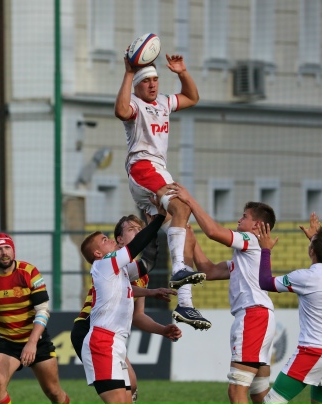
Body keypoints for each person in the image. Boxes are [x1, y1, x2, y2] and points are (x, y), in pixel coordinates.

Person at [114, 51, 210, 330]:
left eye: (155, 79)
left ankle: (185, 304)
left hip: (158, 171)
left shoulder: (164, 102)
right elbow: (121, 111)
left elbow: (192, 97)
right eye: (147, 81)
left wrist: (182, 72)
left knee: (184, 235)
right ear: (137, 86)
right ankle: (179, 270)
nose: (153, 84)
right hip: (143, 166)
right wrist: (129, 72)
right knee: (182, 205)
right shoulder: (134, 103)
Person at [168, 183, 276, 404]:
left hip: (253, 316)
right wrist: (190, 238)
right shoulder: (246, 255)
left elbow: (214, 232)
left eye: (244, 216)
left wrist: (189, 200)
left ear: (256, 225)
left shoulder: (251, 240)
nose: (239, 219)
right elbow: (208, 271)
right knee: (259, 393)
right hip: (259, 316)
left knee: (236, 391)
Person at [71, 214, 182, 403]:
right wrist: (158, 219)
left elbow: (147, 261)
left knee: (130, 391)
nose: (110, 240)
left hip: (115, 341)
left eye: (140, 229)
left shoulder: (122, 269)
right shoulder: (105, 263)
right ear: (98, 253)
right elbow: (137, 246)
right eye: (105, 240)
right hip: (98, 336)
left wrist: (153, 228)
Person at [0, 233, 69, 404]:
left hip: (36, 340)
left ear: (13, 250)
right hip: (7, 342)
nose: (4, 252)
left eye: (7, 247)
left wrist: (32, 343)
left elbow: (43, 310)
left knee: (53, 392)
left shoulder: (29, 272)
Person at [257, 213, 322, 404]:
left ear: (311, 250)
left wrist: (265, 250)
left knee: (270, 402)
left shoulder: (305, 277)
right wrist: (317, 239)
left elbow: (265, 282)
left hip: (313, 352)